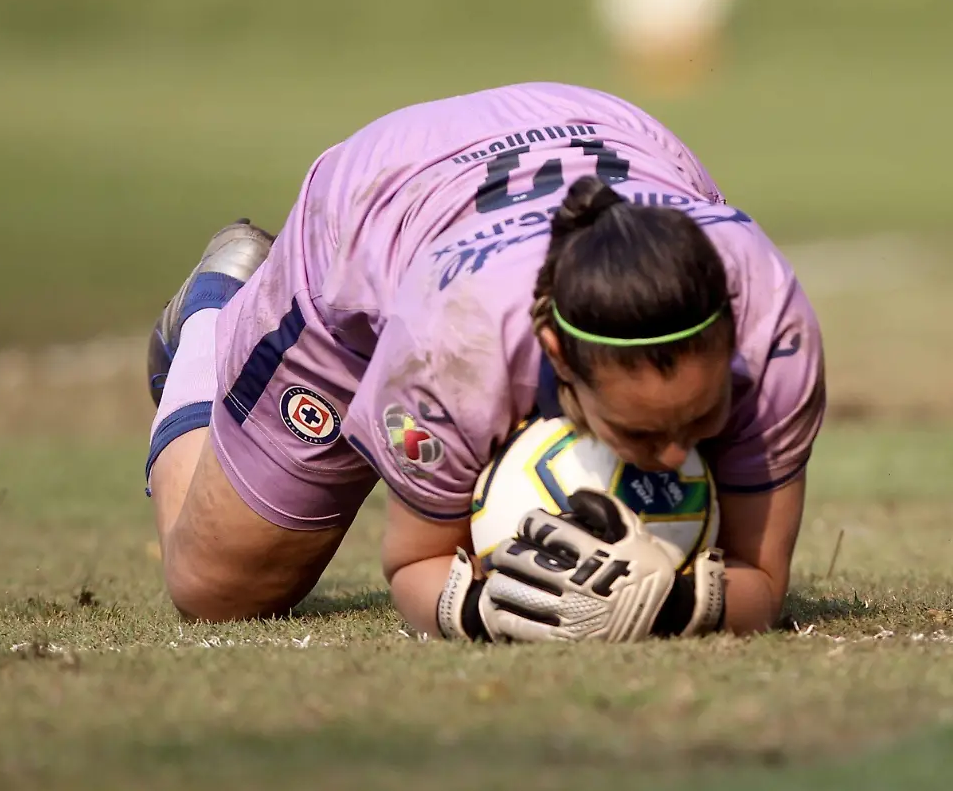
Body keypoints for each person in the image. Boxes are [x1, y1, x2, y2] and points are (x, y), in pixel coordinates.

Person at [144, 83, 824, 643]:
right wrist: (475, 610)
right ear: (558, 353)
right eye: (643, 432)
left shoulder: (775, 331)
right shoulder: (452, 348)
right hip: (376, 199)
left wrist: (672, 607)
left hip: (602, 126)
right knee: (219, 591)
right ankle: (214, 313)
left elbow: (760, 582)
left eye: (703, 417)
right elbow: (416, 562)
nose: (678, 456)